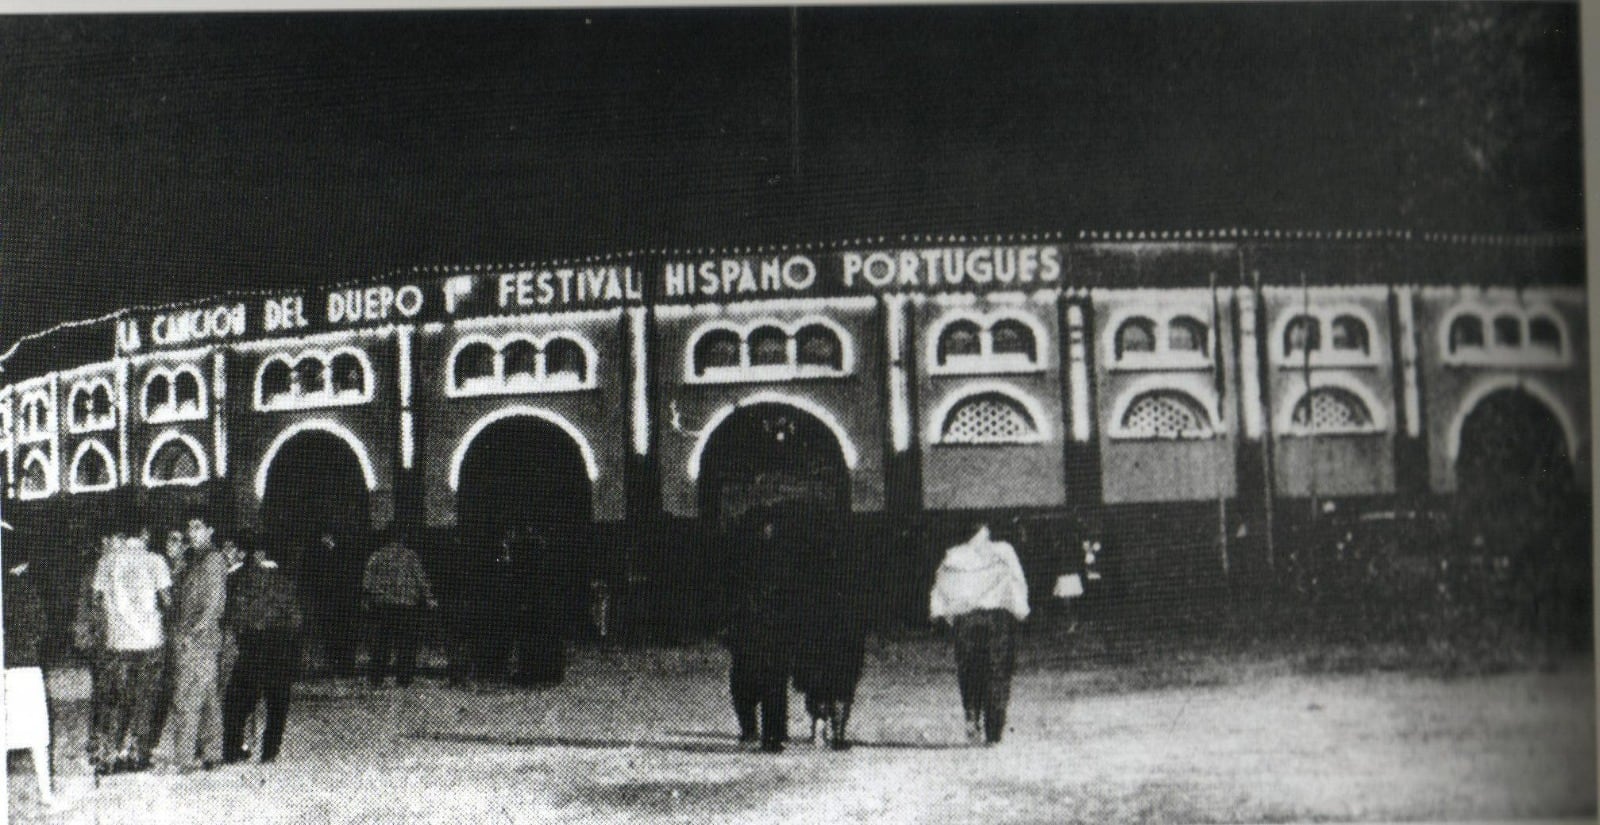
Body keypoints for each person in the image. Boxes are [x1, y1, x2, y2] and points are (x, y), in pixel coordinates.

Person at [929, 521, 1030, 746]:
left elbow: (941, 586)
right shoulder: (1003, 551)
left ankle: (972, 717)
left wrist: (940, 613)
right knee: (997, 673)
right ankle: (993, 733)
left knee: (969, 671)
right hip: (997, 620)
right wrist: (1021, 611)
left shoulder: (954, 556)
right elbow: (1017, 580)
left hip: (966, 621)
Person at [90, 528, 173, 773]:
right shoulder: (156, 560)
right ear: (145, 533)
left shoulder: (106, 561)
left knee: (115, 701)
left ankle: (108, 756)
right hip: (150, 642)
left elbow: (95, 599)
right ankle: (137, 754)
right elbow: (167, 600)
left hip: (118, 642)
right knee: (145, 700)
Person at [152, 517, 229, 772]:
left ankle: (185, 758)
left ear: (210, 529)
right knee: (207, 696)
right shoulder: (193, 559)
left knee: (187, 696)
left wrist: (193, 633)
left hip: (199, 639)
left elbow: (214, 604)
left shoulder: (213, 559)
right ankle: (212, 753)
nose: (191, 533)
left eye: (197, 527)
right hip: (191, 636)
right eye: (190, 528)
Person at [222, 538, 303, 763]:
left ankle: (232, 747)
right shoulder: (284, 582)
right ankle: (270, 751)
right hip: (279, 645)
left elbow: (231, 614)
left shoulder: (237, 579)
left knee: (238, 701)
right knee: (277, 703)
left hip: (251, 644)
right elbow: (296, 619)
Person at [722, 513, 798, 753]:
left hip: (756, 631)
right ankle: (771, 734)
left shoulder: (740, 561)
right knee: (771, 684)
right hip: (766, 630)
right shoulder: (779, 561)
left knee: (750, 683)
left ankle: (756, 730)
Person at [792, 517, 867, 751]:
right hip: (844, 630)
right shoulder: (852, 562)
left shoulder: (806, 562)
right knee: (843, 683)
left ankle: (817, 726)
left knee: (817, 681)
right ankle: (838, 732)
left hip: (814, 629)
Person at [6, 544, 57, 806]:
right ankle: (46, 795)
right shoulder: (23, 590)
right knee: (35, 734)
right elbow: (40, 628)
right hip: (23, 667)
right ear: (23, 564)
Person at [361, 527, 437, 687]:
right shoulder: (410, 557)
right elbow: (421, 580)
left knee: (382, 644)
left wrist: (368, 600)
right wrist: (429, 598)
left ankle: (376, 678)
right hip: (406, 606)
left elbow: (367, 582)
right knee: (406, 644)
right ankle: (404, 679)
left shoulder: (377, 556)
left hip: (384, 605)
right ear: (402, 537)